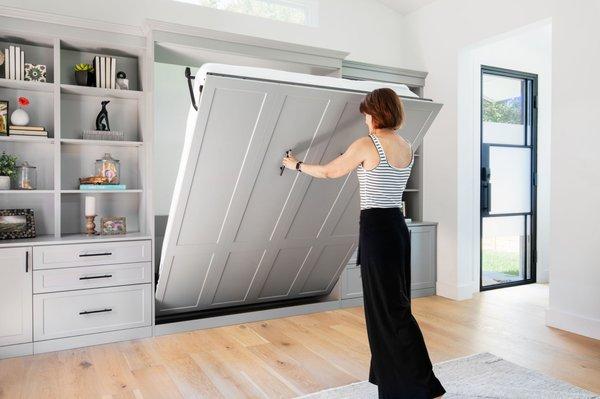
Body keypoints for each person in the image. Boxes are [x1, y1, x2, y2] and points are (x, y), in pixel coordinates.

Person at [282, 88, 446, 398]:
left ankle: (423, 383)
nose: (365, 118)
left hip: (378, 229)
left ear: (376, 113)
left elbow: (331, 172)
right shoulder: (406, 146)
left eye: (367, 113)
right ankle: (389, 374)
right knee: (394, 305)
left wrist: (298, 166)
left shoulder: (367, 145)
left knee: (389, 310)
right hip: (397, 228)